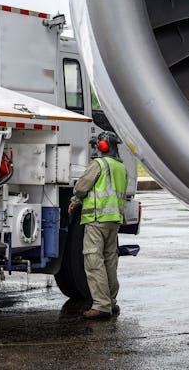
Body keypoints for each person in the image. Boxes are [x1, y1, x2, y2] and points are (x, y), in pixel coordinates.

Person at [68, 130, 128, 319]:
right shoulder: (121, 167)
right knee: (110, 261)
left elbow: (82, 186)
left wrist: (76, 198)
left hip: (96, 218)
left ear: (103, 146)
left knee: (94, 261)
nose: (95, 149)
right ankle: (111, 302)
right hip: (113, 220)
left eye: (97, 145)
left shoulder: (99, 164)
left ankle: (101, 306)